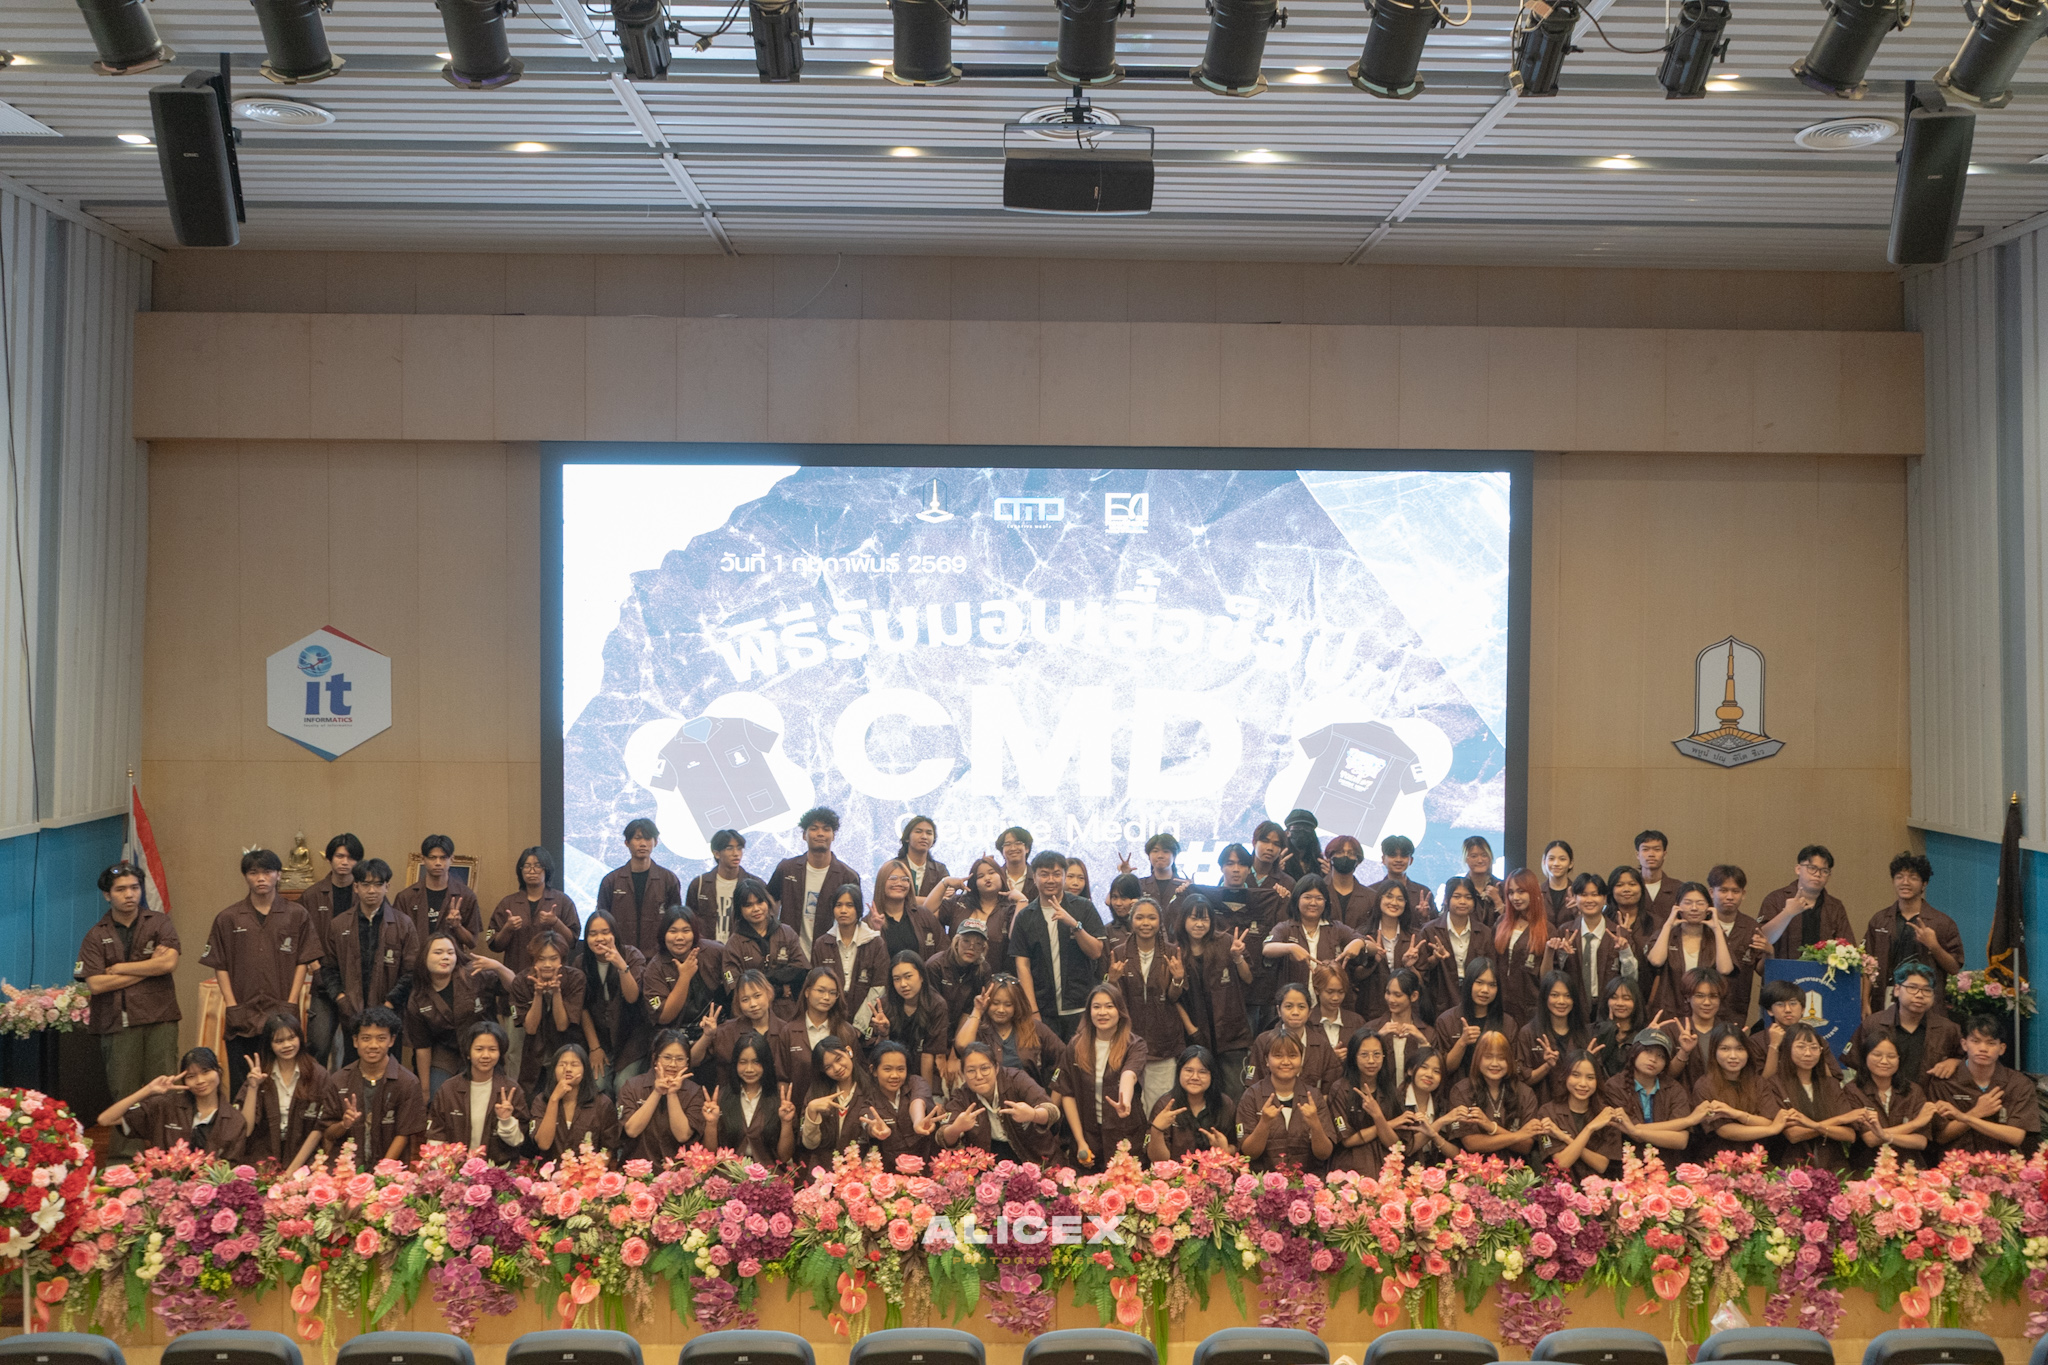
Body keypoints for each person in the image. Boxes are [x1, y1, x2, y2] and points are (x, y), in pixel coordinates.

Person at [74, 861, 181, 1139]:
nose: (130, 894)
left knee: (163, 1088)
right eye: (121, 889)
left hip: (161, 1018)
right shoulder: (96, 934)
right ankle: (124, 1158)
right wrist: (148, 968)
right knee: (125, 1092)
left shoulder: (159, 922)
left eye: (134, 887)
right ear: (107, 895)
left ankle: (166, 1152)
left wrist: (121, 968)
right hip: (117, 1022)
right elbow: (96, 984)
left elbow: (168, 964)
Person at [201, 849, 316, 1094]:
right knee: (243, 1084)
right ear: (246, 877)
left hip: (281, 1009)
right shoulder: (228, 918)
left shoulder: (297, 914)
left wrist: (291, 1001)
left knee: (283, 1081)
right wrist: (232, 1005)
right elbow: (220, 965)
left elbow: (303, 961)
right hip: (243, 1011)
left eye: (267, 872)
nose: (261, 878)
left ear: (279, 875)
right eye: (254, 873)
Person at [323, 858, 419, 1066]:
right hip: (351, 1013)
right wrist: (341, 998)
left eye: (378, 884)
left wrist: (389, 1004)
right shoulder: (339, 924)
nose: (372, 890)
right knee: (352, 1069)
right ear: (356, 887)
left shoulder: (403, 924)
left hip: (390, 1013)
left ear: (387, 887)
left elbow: (412, 972)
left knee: (390, 1070)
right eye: (366, 884)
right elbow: (328, 968)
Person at [1010, 849, 1107, 1040]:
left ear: (1063, 876)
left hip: (1081, 1007)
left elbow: (1096, 951)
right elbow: (1022, 965)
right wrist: (1033, 1011)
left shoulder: (1083, 907)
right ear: (1034, 878)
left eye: (1056, 874)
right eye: (1044, 874)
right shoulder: (1025, 916)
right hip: (1044, 1010)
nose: (1051, 880)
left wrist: (1074, 925)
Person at [476, 933, 586, 1093]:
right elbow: (531, 1028)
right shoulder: (521, 982)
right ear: (533, 960)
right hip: (531, 1054)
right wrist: (538, 994)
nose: (547, 964)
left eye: (553, 959)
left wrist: (556, 992)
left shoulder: (576, 978)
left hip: (566, 1048)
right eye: (541, 959)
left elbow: (562, 1025)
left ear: (562, 960)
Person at [1107, 897, 1186, 1109]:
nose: (1145, 923)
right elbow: (1114, 1001)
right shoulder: (1119, 952)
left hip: (1164, 1041)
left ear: (1160, 921)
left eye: (1152, 918)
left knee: (1160, 1104)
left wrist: (1178, 979)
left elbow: (1174, 997)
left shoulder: (1172, 952)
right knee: (1127, 1103)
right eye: (1140, 918)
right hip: (1127, 1039)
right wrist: (1112, 981)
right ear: (1131, 920)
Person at [1862, 852, 1964, 1015]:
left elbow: (1954, 968)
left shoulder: (1942, 923)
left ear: (1924, 884)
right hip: (1886, 1000)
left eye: (1913, 878)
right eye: (1899, 877)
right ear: (1893, 881)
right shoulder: (1880, 920)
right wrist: (1865, 1002)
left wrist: (1934, 946)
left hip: (1925, 1001)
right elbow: (1866, 964)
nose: (1905, 882)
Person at [1059, 983, 1147, 1171]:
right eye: (1096, 1007)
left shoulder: (1135, 1045)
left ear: (1120, 1011)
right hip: (1087, 1134)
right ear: (1089, 1012)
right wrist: (1080, 1141)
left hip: (1124, 1133)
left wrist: (1124, 1100)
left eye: (1109, 1006)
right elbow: (1067, 1093)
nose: (1102, 1012)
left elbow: (1129, 1074)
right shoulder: (1075, 1045)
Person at [101, 1047, 247, 1159]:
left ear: (218, 1071)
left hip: (210, 1189)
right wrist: (148, 1089)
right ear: (184, 1080)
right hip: (164, 1186)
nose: (200, 1080)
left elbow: (232, 1170)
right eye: (191, 1076)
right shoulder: (164, 1106)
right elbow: (105, 1119)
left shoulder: (235, 1120)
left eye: (206, 1072)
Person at [324, 1006, 428, 1162]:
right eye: (366, 1038)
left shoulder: (407, 1082)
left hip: (391, 1171)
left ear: (391, 1040)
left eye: (381, 1038)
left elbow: (404, 1134)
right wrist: (344, 1124)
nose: (373, 1045)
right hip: (347, 1169)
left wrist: (383, 1170)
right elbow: (328, 1133)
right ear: (355, 1041)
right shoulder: (339, 1080)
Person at [1177, 897, 1254, 1105]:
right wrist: (1192, 1030)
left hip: (1231, 1033)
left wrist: (1238, 958)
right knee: (1202, 1095)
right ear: (1183, 919)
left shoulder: (1227, 942)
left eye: (1205, 919)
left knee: (1235, 1093)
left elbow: (1248, 978)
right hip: (1197, 1035)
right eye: (1194, 918)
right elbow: (1174, 998)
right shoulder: (1177, 950)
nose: (1199, 924)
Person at [237, 1012, 336, 1171]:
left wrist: (291, 1172)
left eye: (291, 1038)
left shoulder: (318, 1075)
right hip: (262, 1161)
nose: (287, 1045)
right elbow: (246, 1130)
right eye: (279, 1041)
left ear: (300, 1038)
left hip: (304, 1162)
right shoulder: (260, 1073)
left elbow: (319, 1128)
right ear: (269, 1044)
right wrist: (253, 1087)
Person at [1930, 1013, 2040, 1155]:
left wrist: (1965, 1117)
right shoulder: (1944, 1082)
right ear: (1964, 1044)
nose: (1983, 1048)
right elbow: (1941, 1137)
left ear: (2002, 1048)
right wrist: (1977, 1112)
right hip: (1956, 1163)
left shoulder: (2018, 1083)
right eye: (1976, 1041)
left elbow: (2016, 1136)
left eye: (1991, 1043)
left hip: (2004, 1163)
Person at [935, 1041, 1061, 1163]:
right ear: (963, 1074)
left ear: (996, 1068)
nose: (979, 1076)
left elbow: (1052, 1111)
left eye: (985, 1068)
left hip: (1035, 1157)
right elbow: (942, 1137)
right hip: (988, 1159)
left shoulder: (1016, 1079)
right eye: (971, 1071)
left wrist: (1033, 1114)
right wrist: (956, 1128)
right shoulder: (961, 1096)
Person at [1844, 962, 1963, 1088]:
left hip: (1928, 1097)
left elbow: (1967, 1059)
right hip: (1881, 1096)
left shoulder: (1947, 1029)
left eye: (1927, 990)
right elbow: (1854, 1062)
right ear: (1897, 990)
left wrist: (1955, 1061)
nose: (1919, 995)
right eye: (1912, 988)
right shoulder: (1873, 1024)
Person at [405, 931, 497, 1095]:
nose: (445, 957)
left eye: (450, 952)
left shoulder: (473, 975)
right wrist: (425, 1090)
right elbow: (422, 1047)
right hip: (445, 1053)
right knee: (437, 1095)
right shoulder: (418, 998)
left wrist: (498, 966)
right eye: (438, 952)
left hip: (481, 1047)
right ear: (424, 958)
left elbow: (513, 987)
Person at [426, 1021, 527, 1163]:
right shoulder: (448, 1089)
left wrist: (506, 1121)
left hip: (497, 1171)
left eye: (492, 1049)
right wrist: (445, 1169)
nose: (486, 1055)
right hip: (456, 1170)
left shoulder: (511, 1089)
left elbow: (518, 1142)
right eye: (479, 1049)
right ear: (468, 1053)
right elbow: (435, 1137)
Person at [1690, 1023, 1792, 1162]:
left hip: (1758, 1160)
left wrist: (1736, 1114)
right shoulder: (1704, 1085)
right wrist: (1770, 1130)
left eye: (1739, 1049)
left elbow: (1769, 1120)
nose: (1733, 1056)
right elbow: (1725, 1131)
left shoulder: (1758, 1082)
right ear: (1714, 1052)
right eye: (1725, 1049)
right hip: (1717, 1163)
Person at [300, 834, 362, 1064]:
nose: (345, 862)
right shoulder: (312, 895)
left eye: (351, 858)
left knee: (355, 1049)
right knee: (318, 1045)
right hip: (324, 982)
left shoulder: (366, 892)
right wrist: (315, 966)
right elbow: (302, 936)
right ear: (329, 858)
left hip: (357, 984)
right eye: (339, 856)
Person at [768, 806, 863, 951]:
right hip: (788, 953)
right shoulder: (787, 868)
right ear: (804, 835)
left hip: (831, 953)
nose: (820, 833)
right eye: (814, 828)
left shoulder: (848, 876)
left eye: (826, 829)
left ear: (833, 835)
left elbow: (854, 919)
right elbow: (769, 902)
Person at [1235, 1032, 1332, 1172]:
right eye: (1278, 1056)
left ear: (1301, 1059)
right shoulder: (1251, 1096)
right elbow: (1249, 1153)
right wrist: (1264, 1123)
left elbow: (1324, 1154)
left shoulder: (1314, 1096)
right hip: (1263, 1181)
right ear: (1266, 1060)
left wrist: (1315, 1124)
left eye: (1292, 1056)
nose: (1286, 1062)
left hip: (1306, 1181)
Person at [1766, 1023, 1858, 1168]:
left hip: (1833, 1167)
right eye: (1801, 1047)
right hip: (1791, 1167)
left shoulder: (1831, 1084)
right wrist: (1839, 1120)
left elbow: (1849, 1135)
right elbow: (1794, 1135)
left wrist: (1812, 1125)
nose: (1808, 1053)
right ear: (1787, 1048)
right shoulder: (1776, 1084)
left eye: (1814, 1048)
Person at [575, 910, 646, 1094]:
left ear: (615, 934)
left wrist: (621, 966)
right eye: (593, 934)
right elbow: (582, 1008)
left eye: (605, 932)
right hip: (599, 1039)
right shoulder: (581, 963)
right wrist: (595, 1048)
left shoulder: (632, 956)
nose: (600, 938)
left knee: (623, 1085)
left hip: (630, 1039)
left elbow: (632, 997)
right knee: (597, 1085)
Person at [1598, 1028, 1701, 1153]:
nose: (1653, 1059)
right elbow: (1632, 1134)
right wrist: (1686, 1121)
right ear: (1634, 1051)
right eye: (1647, 1051)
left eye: (1660, 1056)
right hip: (1629, 1159)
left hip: (1667, 1160)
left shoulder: (1674, 1088)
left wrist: (1637, 1130)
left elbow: (1681, 1141)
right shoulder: (1615, 1086)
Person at [1546, 872, 1641, 1009]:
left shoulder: (1620, 934)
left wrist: (1625, 952)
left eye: (1595, 894)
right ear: (1575, 898)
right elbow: (1553, 977)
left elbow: (1631, 979)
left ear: (1605, 898)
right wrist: (1562, 955)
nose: (1589, 900)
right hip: (1573, 1007)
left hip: (1609, 1006)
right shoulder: (1564, 931)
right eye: (1584, 895)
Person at [646, 909, 727, 1065]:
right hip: (676, 1038)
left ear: (694, 933)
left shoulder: (715, 951)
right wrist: (684, 977)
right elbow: (664, 1016)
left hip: (718, 1029)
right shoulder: (655, 968)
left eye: (686, 931)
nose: (679, 937)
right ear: (664, 934)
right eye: (673, 931)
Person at [956, 974, 1062, 1092]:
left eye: (1008, 1005)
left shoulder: (1034, 1028)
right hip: (989, 1098)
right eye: (995, 1003)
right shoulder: (979, 1029)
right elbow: (962, 1046)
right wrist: (978, 1009)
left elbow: (1063, 1060)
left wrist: (1052, 1097)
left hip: (1030, 1098)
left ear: (1016, 1005)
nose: (1001, 1010)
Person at [703, 1032, 797, 1164]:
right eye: (743, 1062)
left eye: (756, 1062)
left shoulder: (780, 1100)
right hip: (729, 1173)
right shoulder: (722, 1097)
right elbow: (710, 1154)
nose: (749, 1069)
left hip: (768, 1173)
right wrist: (711, 1124)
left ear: (766, 1063)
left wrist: (786, 1123)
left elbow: (785, 1157)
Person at [598, 818, 683, 960]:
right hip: (620, 955)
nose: (643, 843)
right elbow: (601, 919)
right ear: (627, 843)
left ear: (655, 842)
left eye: (648, 838)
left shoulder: (668, 879)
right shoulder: (611, 880)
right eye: (637, 838)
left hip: (658, 958)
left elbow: (676, 920)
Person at [1646, 882, 1733, 1021]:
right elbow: (1656, 961)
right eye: (1687, 903)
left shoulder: (1715, 937)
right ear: (1677, 906)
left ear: (1709, 908)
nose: (1694, 908)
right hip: (1669, 1010)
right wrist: (1668, 925)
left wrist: (1717, 929)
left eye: (1700, 903)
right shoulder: (1666, 934)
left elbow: (1725, 969)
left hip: (1705, 1012)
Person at [772, 967, 861, 1103]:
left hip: (840, 1107)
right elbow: (782, 1078)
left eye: (832, 993)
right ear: (807, 992)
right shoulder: (788, 1031)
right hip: (799, 1107)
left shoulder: (846, 1030)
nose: (826, 997)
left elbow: (858, 1072)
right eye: (821, 991)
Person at [488, 847, 580, 978]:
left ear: (546, 869)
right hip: (517, 975)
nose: (532, 871)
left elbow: (572, 941)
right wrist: (507, 928)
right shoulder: (508, 903)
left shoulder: (563, 901)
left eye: (538, 866)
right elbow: (492, 943)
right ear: (520, 871)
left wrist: (556, 923)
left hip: (553, 976)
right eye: (527, 866)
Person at [1843, 1033, 1935, 1166]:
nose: (1884, 1061)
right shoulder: (1853, 1090)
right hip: (1868, 1169)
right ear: (1865, 1056)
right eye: (1877, 1055)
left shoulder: (1914, 1091)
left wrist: (1884, 1136)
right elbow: (1870, 1139)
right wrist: (1916, 1123)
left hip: (1908, 1168)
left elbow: (1920, 1142)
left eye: (1891, 1056)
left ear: (1899, 1059)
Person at [725, 876, 809, 1019]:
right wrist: (777, 990)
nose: (756, 909)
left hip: (786, 1015)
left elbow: (801, 969)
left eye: (760, 902)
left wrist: (765, 977)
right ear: (739, 909)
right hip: (749, 1017)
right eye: (748, 905)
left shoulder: (786, 933)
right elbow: (733, 985)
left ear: (767, 901)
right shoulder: (734, 944)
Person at [1444, 1031, 1540, 1155]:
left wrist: (1491, 1127)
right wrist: (1518, 1136)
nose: (1495, 1064)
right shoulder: (1461, 1090)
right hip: (1475, 1166)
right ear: (1478, 1059)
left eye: (1501, 1058)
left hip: (1516, 1166)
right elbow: (1471, 1143)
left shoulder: (1525, 1093)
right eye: (1488, 1057)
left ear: (1510, 1061)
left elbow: (1526, 1146)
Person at [1533, 1051, 1623, 1179]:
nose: (1583, 1084)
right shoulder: (1548, 1112)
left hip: (1598, 1188)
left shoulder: (1606, 1114)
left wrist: (1564, 1137)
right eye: (1576, 1075)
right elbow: (1562, 1163)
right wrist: (1589, 1129)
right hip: (1562, 1188)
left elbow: (1601, 1165)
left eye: (1590, 1077)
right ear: (1565, 1076)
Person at [618, 1028, 704, 1163]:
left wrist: (672, 1094)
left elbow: (683, 1136)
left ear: (687, 1063)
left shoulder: (694, 1091)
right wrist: (657, 1092)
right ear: (655, 1058)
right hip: (638, 1168)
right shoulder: (632, 1086)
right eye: (667, 1057)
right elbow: (632, 1130)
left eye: (680, 1059)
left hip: (678, 1171)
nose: (673, 1064)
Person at [1759, 845, 1855, 959]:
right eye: (1812, 868)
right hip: (1783, 969)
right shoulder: (1776, 899)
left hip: (1822, 970)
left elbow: (1847, 948)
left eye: (1824, 871)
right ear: (1798, 869)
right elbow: (1762, 939)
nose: (1818, 874)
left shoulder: (1835, 907)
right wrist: (1787, 913)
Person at [392, 835, 483, 950]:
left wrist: (457, 926)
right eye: (432, 858)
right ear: (423, 859)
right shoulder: (406, 897)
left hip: (451, 959)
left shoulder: (466, 896)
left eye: (443, 858)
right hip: (417, 960)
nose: (438, 863)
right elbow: (396, 938)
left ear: (452, 859)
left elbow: (472, 942)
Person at [1414, 876, 1486, 1021]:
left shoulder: (1485, 932)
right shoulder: (1430, 930)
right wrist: (1434, 958)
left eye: (1468, 897)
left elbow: (1490, 968)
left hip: (1476, 999)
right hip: (1440, 999)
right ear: (1446, 900)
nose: (1463, 901)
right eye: (1457, 896)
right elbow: (1421, 971)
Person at [1434, 957, 1516, 1084]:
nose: (1485, 990)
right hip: (1457, 1090)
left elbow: (1512, 1067)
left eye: (1492, 985)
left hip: (1496, 1089)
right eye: (1479, 982)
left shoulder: (1508, 1023)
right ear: (1468, 983)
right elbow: (1445, 1068)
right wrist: (1462, 1042)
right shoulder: (1446, 1020)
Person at [925, 919, 991, 1076]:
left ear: (983, 948)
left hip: (963, 1034)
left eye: (978, 944)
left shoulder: (983, 970)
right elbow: (933, 1012)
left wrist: (955, 1054)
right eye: (966, 941)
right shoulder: (935, 965)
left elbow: (969, 1011)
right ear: (956, 942)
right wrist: (940, 1053)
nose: (971, 947)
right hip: (932, 1032)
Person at [1147, 1045, 1235, 1162]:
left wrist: (1224, 1150)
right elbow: (1158, 1160)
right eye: (1189, 1071)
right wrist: (1156, 1131)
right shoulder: (1165, 1105)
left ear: (1212, 1075)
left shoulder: (1225, 1104)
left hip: (1216, 1171)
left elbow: (1237, 1146)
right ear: (1179, 1072)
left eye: (1202, 1072)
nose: (1195, 1077)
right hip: (1176, 1172)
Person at [531, 1042, 620, 1157]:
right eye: (562, 1064)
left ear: (585, 1070)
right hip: (551, 1167)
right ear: (554, 1070)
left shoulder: (602, 1103)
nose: (568, 1069)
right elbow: (544, 1144)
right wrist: (554, 1099)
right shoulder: (541, 1101)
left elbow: (608, 1150)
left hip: (588, 1167)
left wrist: (591, 1167)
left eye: (574, 1065)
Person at [858, 1040, 938, 1169]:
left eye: (901, 1069)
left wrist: (918, 1122)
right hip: (888, 1171)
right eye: (887, 1069)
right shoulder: (867, 1094)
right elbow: (866, 1117)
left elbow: (918, 1101)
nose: (895, 1075)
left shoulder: (916, 1082)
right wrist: (874, 1130)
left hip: (924, 1164)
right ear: (874, 1070)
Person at [1327, 1030, 1397, 1176]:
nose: (1371, 1061)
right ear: (1354, 1057)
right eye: (1364, 1055)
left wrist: (1378, 1116)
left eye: (1377, 1054)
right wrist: (1390, 1123)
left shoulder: (1390, 1089)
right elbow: (1347, 1140)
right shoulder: (1340, 1089)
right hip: (1350, 1168)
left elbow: (1393, 1144)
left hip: (1386, 1168)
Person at [693, 968, 779, 1083]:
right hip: (732, 1093)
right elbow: (693, 1060)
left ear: (769, 994)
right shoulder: (726, 1031)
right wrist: (707, 1036)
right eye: (745, 1000)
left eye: (757, 996)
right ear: (738, 1003)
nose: (753, 1004)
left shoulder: (785, 1030)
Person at [1251, 981, 1343, 1087]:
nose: (1295, 1012)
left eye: (1301, 1007)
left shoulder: (1321, 1043)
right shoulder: (1263, 1041)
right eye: (1289, 1006)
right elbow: (1253, 1083)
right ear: (1279, 1010)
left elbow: (1332, 1084)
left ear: (1309, 1012)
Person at [1518, 971, 1592, 1104]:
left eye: (1567, 996)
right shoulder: (1528, 1033)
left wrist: (1589, 1063)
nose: (1561, 1001)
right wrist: (1547, 1066)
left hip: (1578, 1106)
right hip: (1541, 1106)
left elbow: (1596, 1080)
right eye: (1554, 995)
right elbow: (1522, 1081)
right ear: (1544, 997)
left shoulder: (1585, 1034)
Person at [1750, 979, 1844, 1082]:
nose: (1788, 1010)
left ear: (1803, 1009)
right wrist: (1774, 1046)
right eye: (1780, 1004)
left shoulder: (1816, 1040)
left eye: (1793, 1003)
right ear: (1770, 1011)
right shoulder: (1756, 1042)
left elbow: (1833, 1082)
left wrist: (1815, 1052)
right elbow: (1759, 1084)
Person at [881, 951, 951, 1087]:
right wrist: (882, 1033)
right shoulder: (884, 1005)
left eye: (908, 977)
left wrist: (924, 1093)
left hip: (922, 1070)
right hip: (892, 1071)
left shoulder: (937, 1005)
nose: (903, 984)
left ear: (921, 976)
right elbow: (879, 1051)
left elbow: (928, 1055)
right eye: (896, 979)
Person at [933, 858, 1022, 963]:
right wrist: (945, 882)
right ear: (974, 882)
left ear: (1001, 876)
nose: (987, 878)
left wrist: (1022, 901)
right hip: (954, 969)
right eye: (980, 876)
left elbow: (1017, 938)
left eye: (991, 873)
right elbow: (926, 913)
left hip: (994, 970)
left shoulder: (1010, 909)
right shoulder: (959, 902)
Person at [1346, 877, 1411, 1014]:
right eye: (1389, 896)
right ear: (1379, 899)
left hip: (1406, 1010)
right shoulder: (1362, 934)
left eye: (1400, 899)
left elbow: (1422, 982)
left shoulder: (1413, 936)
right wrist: (1372, 961)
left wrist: (1410, 966)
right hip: (1371, 1009)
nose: (1394, 902)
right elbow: (1355, 976)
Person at [797, 1035, 871, 1155]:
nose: (837, 1068)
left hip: (861, 1163)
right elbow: (810, 1144)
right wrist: (811, 1111)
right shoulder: (816, 1092)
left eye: (838, 1059)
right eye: (828, 1067)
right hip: (824, 1163)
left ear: (849, 1051)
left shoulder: (870, 1088)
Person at [1490, 869, 1548, 1022]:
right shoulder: (1501, 923)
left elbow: (1547, 976)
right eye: (1511, 892)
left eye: (1521, 891)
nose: (1515, 897)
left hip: (1531, 1007)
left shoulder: (1547, 929)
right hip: (1501, 1004)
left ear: (1533, 892)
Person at [1390, 1048, 1463, 1166]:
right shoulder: (1395, 1102)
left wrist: (1435, 1135)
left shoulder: (1442, 1105)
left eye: (1436, 1071)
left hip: (1437, 1169)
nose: (1429, 1075)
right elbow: (1407, 1150)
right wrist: (1439, 1123)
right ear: (1410, 1070)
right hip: (1402, 1169)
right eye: (1424, 1067)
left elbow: (1459, 1156)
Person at [1369, 967, 1434, 1095]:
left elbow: (1435, 1070)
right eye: (1388, 993)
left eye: (1397, 995)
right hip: (1380, 1098)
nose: (1391, 999)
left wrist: (1423, 1042)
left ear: (1414, 996)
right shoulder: (1372, 1028)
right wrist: (1377, 1038)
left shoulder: (1427, 1032)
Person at [684, 830, 753, 944]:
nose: (736, 853)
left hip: (742, 949)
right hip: (707, 949)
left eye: (739, 848)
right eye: (729, 848)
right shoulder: (699, 884)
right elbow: (689, 920)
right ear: (716, 853)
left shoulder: (754, 883)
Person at [1666, 968, 1730, 1089]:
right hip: (1683, 1098)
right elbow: (1665, 1076)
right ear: (1687, 998)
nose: (1707, 1002)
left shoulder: (1729, 1031)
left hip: (1721, 1097)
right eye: (1700, 996)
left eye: (1713, 996)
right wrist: (1684, 1052)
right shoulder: (1671, 1030)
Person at [870, 859, 945, 962]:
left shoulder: (924, 915)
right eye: (893, 878)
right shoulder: (869, 922)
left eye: (905, 879)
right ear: (881, 882)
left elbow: (944, 949)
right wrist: (875, 932)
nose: (899, 883)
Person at [1364, 834, 1437, 928]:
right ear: (1383, 859)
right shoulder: (1371, 892)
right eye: (1392, 855)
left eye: (1404, 856)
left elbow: (1435, 928)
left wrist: (1425, 917)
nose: (1398, 860)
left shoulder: (1423, 892)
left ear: (1411, 860)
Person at [1589, 976, 1645, 1082]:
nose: (1619, 1003)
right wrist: (1607, 1031)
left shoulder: (1641, 1037)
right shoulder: (1591, 1031)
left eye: (1626, 998)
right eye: (1614, 997)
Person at [1308, 962, 1366, 1058]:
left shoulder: (1357, 1022)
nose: (1336, 998)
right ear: (1316, 990)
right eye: (1330, 992)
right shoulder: (1307, 1022)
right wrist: (1330, 1058)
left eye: (1341, 992)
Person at [1136, 833, 1192, 927]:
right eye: (1155, 851)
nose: (1160, 855)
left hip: (1176, 935)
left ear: (1174, 856)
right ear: (1149, 856)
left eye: (1166, 851)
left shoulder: (1184, 886)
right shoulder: (1139, 884)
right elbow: (1113, 902)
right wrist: (1125, 877)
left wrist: (1193, 889)